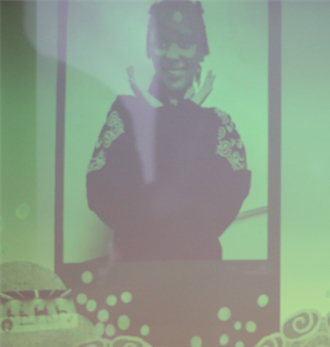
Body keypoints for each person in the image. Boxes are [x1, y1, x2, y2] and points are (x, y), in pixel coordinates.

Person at [86, 0, 250, 261]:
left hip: (199, 274)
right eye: (162, 43)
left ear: (201, 51)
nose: (172, 55)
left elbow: (220, 208)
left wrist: (182, 115)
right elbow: (102, 194)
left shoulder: (219, 124)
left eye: (184, 43)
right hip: (134, 271)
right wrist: (178, 115)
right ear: (150, 50)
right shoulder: (125, 113)